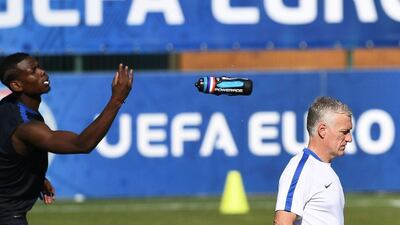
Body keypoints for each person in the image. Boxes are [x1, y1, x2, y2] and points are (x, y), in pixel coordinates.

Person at [0, 52, 133, 225]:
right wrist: (117, 99)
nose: (42, 72)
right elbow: (82, 144)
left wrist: (34, 176)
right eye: (33, 71)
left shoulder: (8, 107)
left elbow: (9, 153)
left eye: (39, 66)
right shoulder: (27, 127)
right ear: (17, 85)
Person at [274, 96, 353, 225]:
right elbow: (282, 222)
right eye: (344, 132)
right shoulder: (301, 169)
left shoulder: (326, 170)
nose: (349, 138)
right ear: (322, 130)